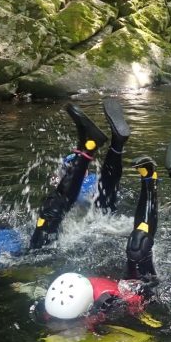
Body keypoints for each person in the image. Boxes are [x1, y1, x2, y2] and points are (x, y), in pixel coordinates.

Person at [0, 100, 130, 263]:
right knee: (52, 209)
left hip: (28, 239)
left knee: (97, 207)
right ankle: (88, 145)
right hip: (30, 251)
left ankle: (115, 145)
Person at [34, 155, 160, 330]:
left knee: (138, 246)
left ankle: (149, 179)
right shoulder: (51, 306)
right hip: (103, 281)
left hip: (124, 289)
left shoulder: (109, 302)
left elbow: (139, 303)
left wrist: (143, 316)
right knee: (138, 246)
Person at [31, 99, 130, 248]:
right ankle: (114, 146)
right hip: (108, 220)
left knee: (50, 212)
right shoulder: (92, 179)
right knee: (106, 195)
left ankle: (89, 145)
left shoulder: (73, 184)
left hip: (85, 225)